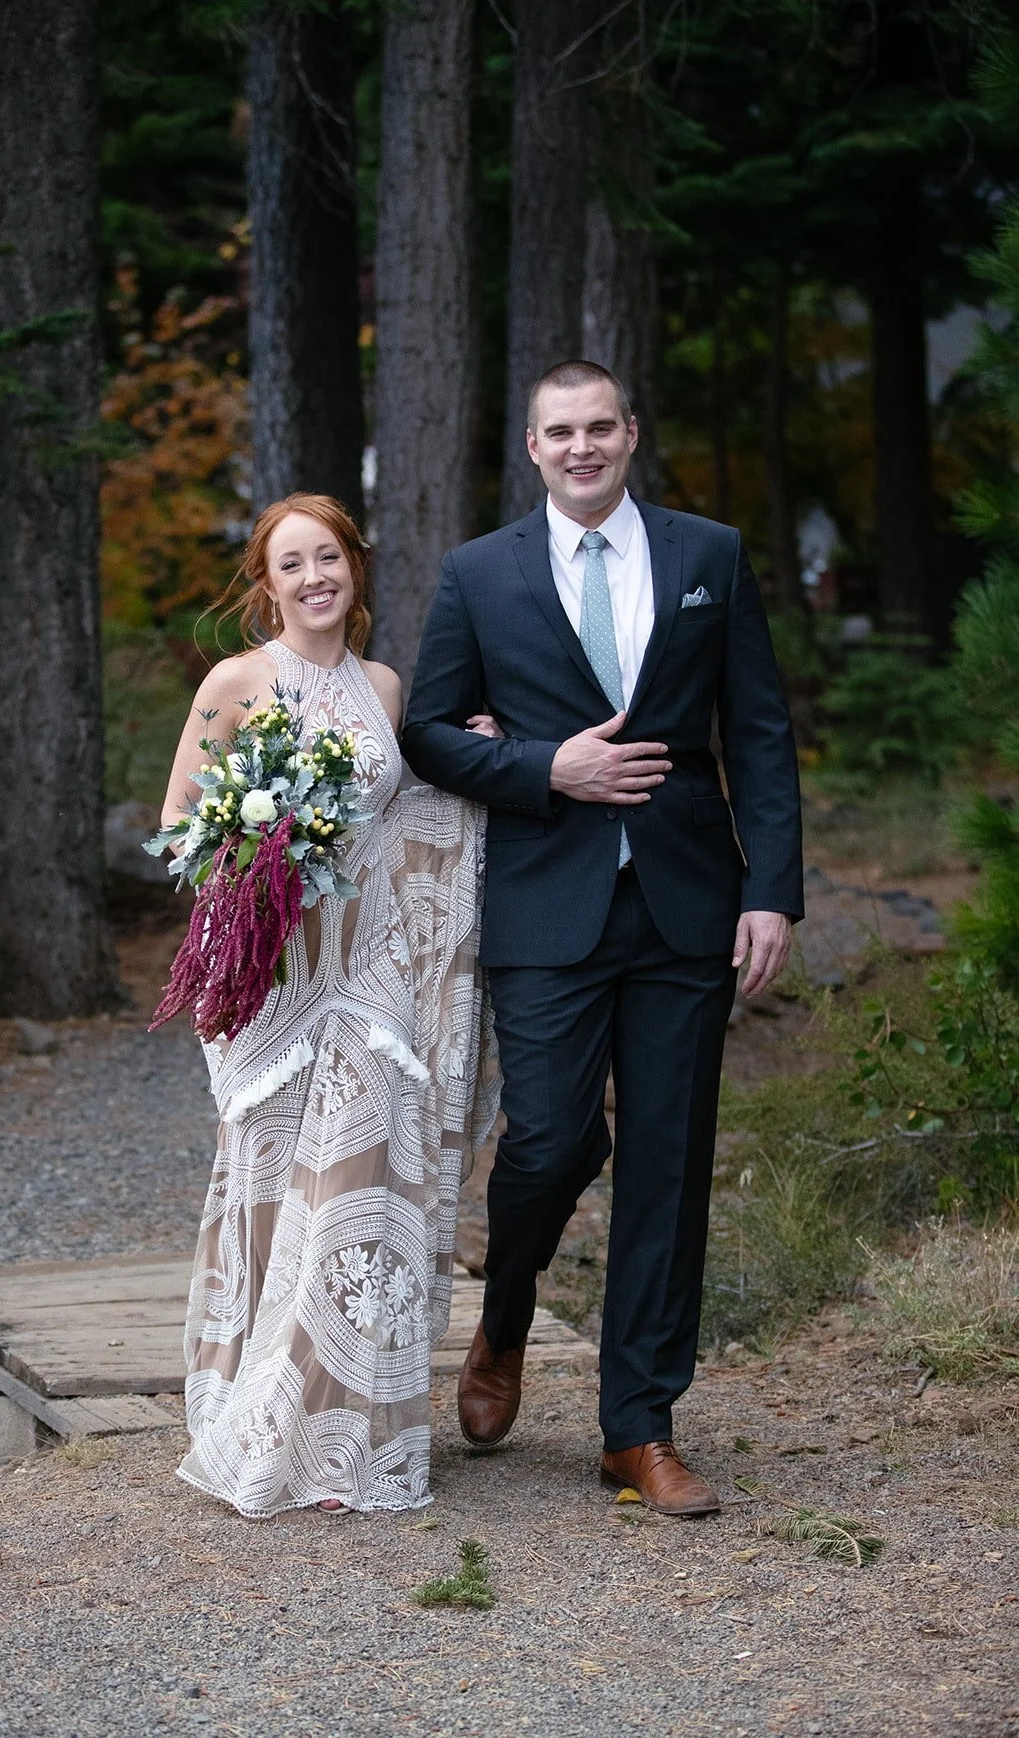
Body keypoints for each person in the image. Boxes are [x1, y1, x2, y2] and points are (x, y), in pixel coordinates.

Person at [401, 361, 803, 1516]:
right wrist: (543, 766)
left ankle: (638, 1426)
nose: (580, 448)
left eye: (598, 428)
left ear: (630, 434)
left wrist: (768, 890)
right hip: (544, 901)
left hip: (687, 900)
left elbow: (760, 730)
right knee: (551, 1138)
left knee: (667, 1164)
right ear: (530, 448)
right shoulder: (479, 573)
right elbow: (428, 729)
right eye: (557, 432)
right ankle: (508, 1307)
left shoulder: (706, 556)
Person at [160, 492, 499, 1518]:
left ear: (354, 568)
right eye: (291, 564)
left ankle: (334, 1423)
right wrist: (256, 846)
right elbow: (177, 823)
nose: (314, 578)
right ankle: (258, 1407)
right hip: (277, 976)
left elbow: (402, 812)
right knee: (274, 1185)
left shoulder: (383, 686)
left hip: (370, 973)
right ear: (265, 584)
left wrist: (481, 754)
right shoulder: (238, 680)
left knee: (359, 1178)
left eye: (329, 558)